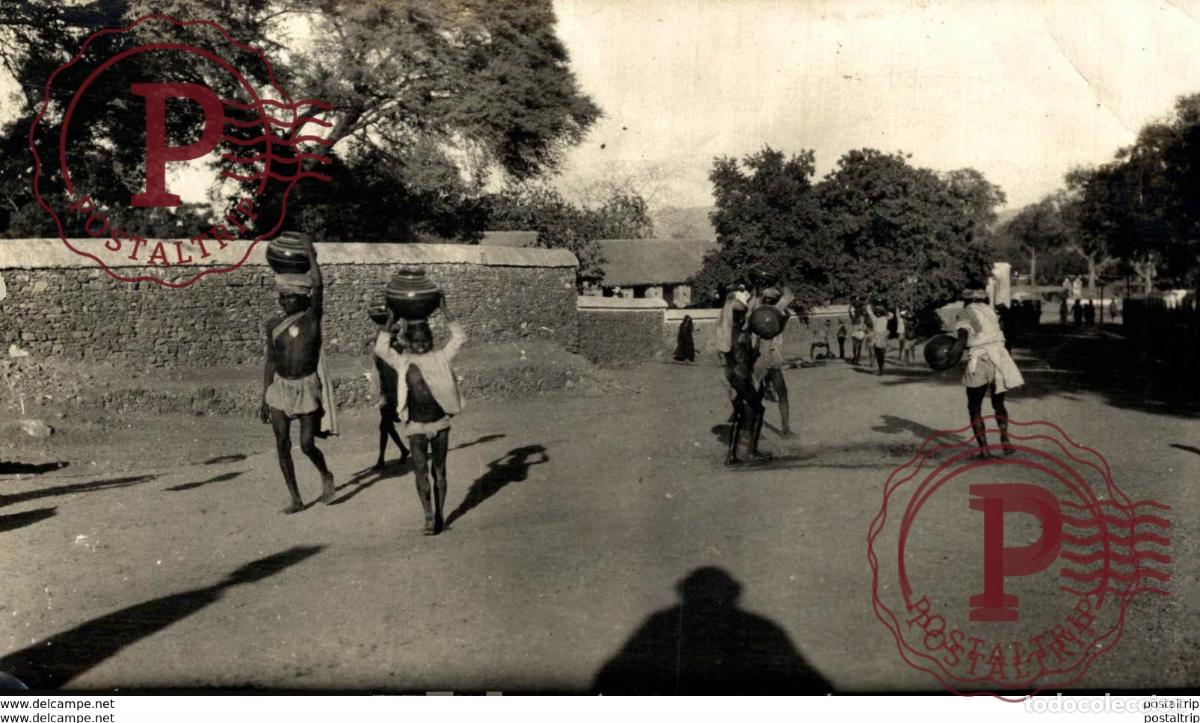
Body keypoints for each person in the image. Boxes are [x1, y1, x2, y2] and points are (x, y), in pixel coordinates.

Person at [375, 297, 466, 535]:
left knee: (439, 470)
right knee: (420, 471)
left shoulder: (440, 357)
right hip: (415, 425)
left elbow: (459, 338)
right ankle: (427, 515)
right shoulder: (403, 362)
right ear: (408, 342)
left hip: (440, 422)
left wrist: (445, 309)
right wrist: (392, 317)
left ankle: (440, 515)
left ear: (431, 340)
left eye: (426, 340)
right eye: (416, 341)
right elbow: (381, 348)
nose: (422, 344)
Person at [259, 234, 337, 514]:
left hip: (306, 387)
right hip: (279, 388)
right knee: (282, 444)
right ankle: (296, 498)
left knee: (306, 444)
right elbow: (270, 361)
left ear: (301, 298)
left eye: (289, 297)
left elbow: (319, 285)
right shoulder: (273, 325)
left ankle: (325, 474)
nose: (284, 302)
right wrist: (264, 397)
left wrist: (309, 254)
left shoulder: (311, 320)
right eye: (282, 297)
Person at [949, 288, 1025, 458]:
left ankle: (984, 451)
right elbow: (1010, 333)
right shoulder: (991, 313)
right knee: (999, 404)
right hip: (999, 359)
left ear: (967, 300)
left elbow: (962, 340)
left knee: (974, 408)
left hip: (981, 360)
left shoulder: (966, 313)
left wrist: (948, 360)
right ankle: (1005, 440)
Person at [724, 301, 769, 464]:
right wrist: (755, 353)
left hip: (730, 376)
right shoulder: (743, 336)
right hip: (741, 377)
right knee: (758, 409)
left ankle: (731, 455)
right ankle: (752, 450)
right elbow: (748, 361)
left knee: (740, 413)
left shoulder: (728, 334)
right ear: (741, 318)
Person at [372, 321, 410, 472]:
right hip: (388, 392)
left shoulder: (395, 350)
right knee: (385, 426)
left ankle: (398, 452)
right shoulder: (382, 354)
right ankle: (386, 456)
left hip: (397, 391)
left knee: (388, 425)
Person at [756, 287, 794, 438]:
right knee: (782, 393)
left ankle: (755, 429)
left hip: (758, 357)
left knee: (756, 395)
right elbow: (788, 295)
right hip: (771, 357)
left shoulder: (757, 312)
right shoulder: (775, 312)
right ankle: (785, 429)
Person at [864, 302, 892, 375]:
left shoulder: (885, 318)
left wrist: (884, 309)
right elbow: (869, 311)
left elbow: (891, 315)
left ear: (882, 313)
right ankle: (880, 368)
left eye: (879, 312)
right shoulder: (875, 318)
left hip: (881, 337)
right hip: (876, 337)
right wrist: (868, 305)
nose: (878, 314)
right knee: (878, 354)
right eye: (877, 312)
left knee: (881, 354)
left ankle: (881, 368)